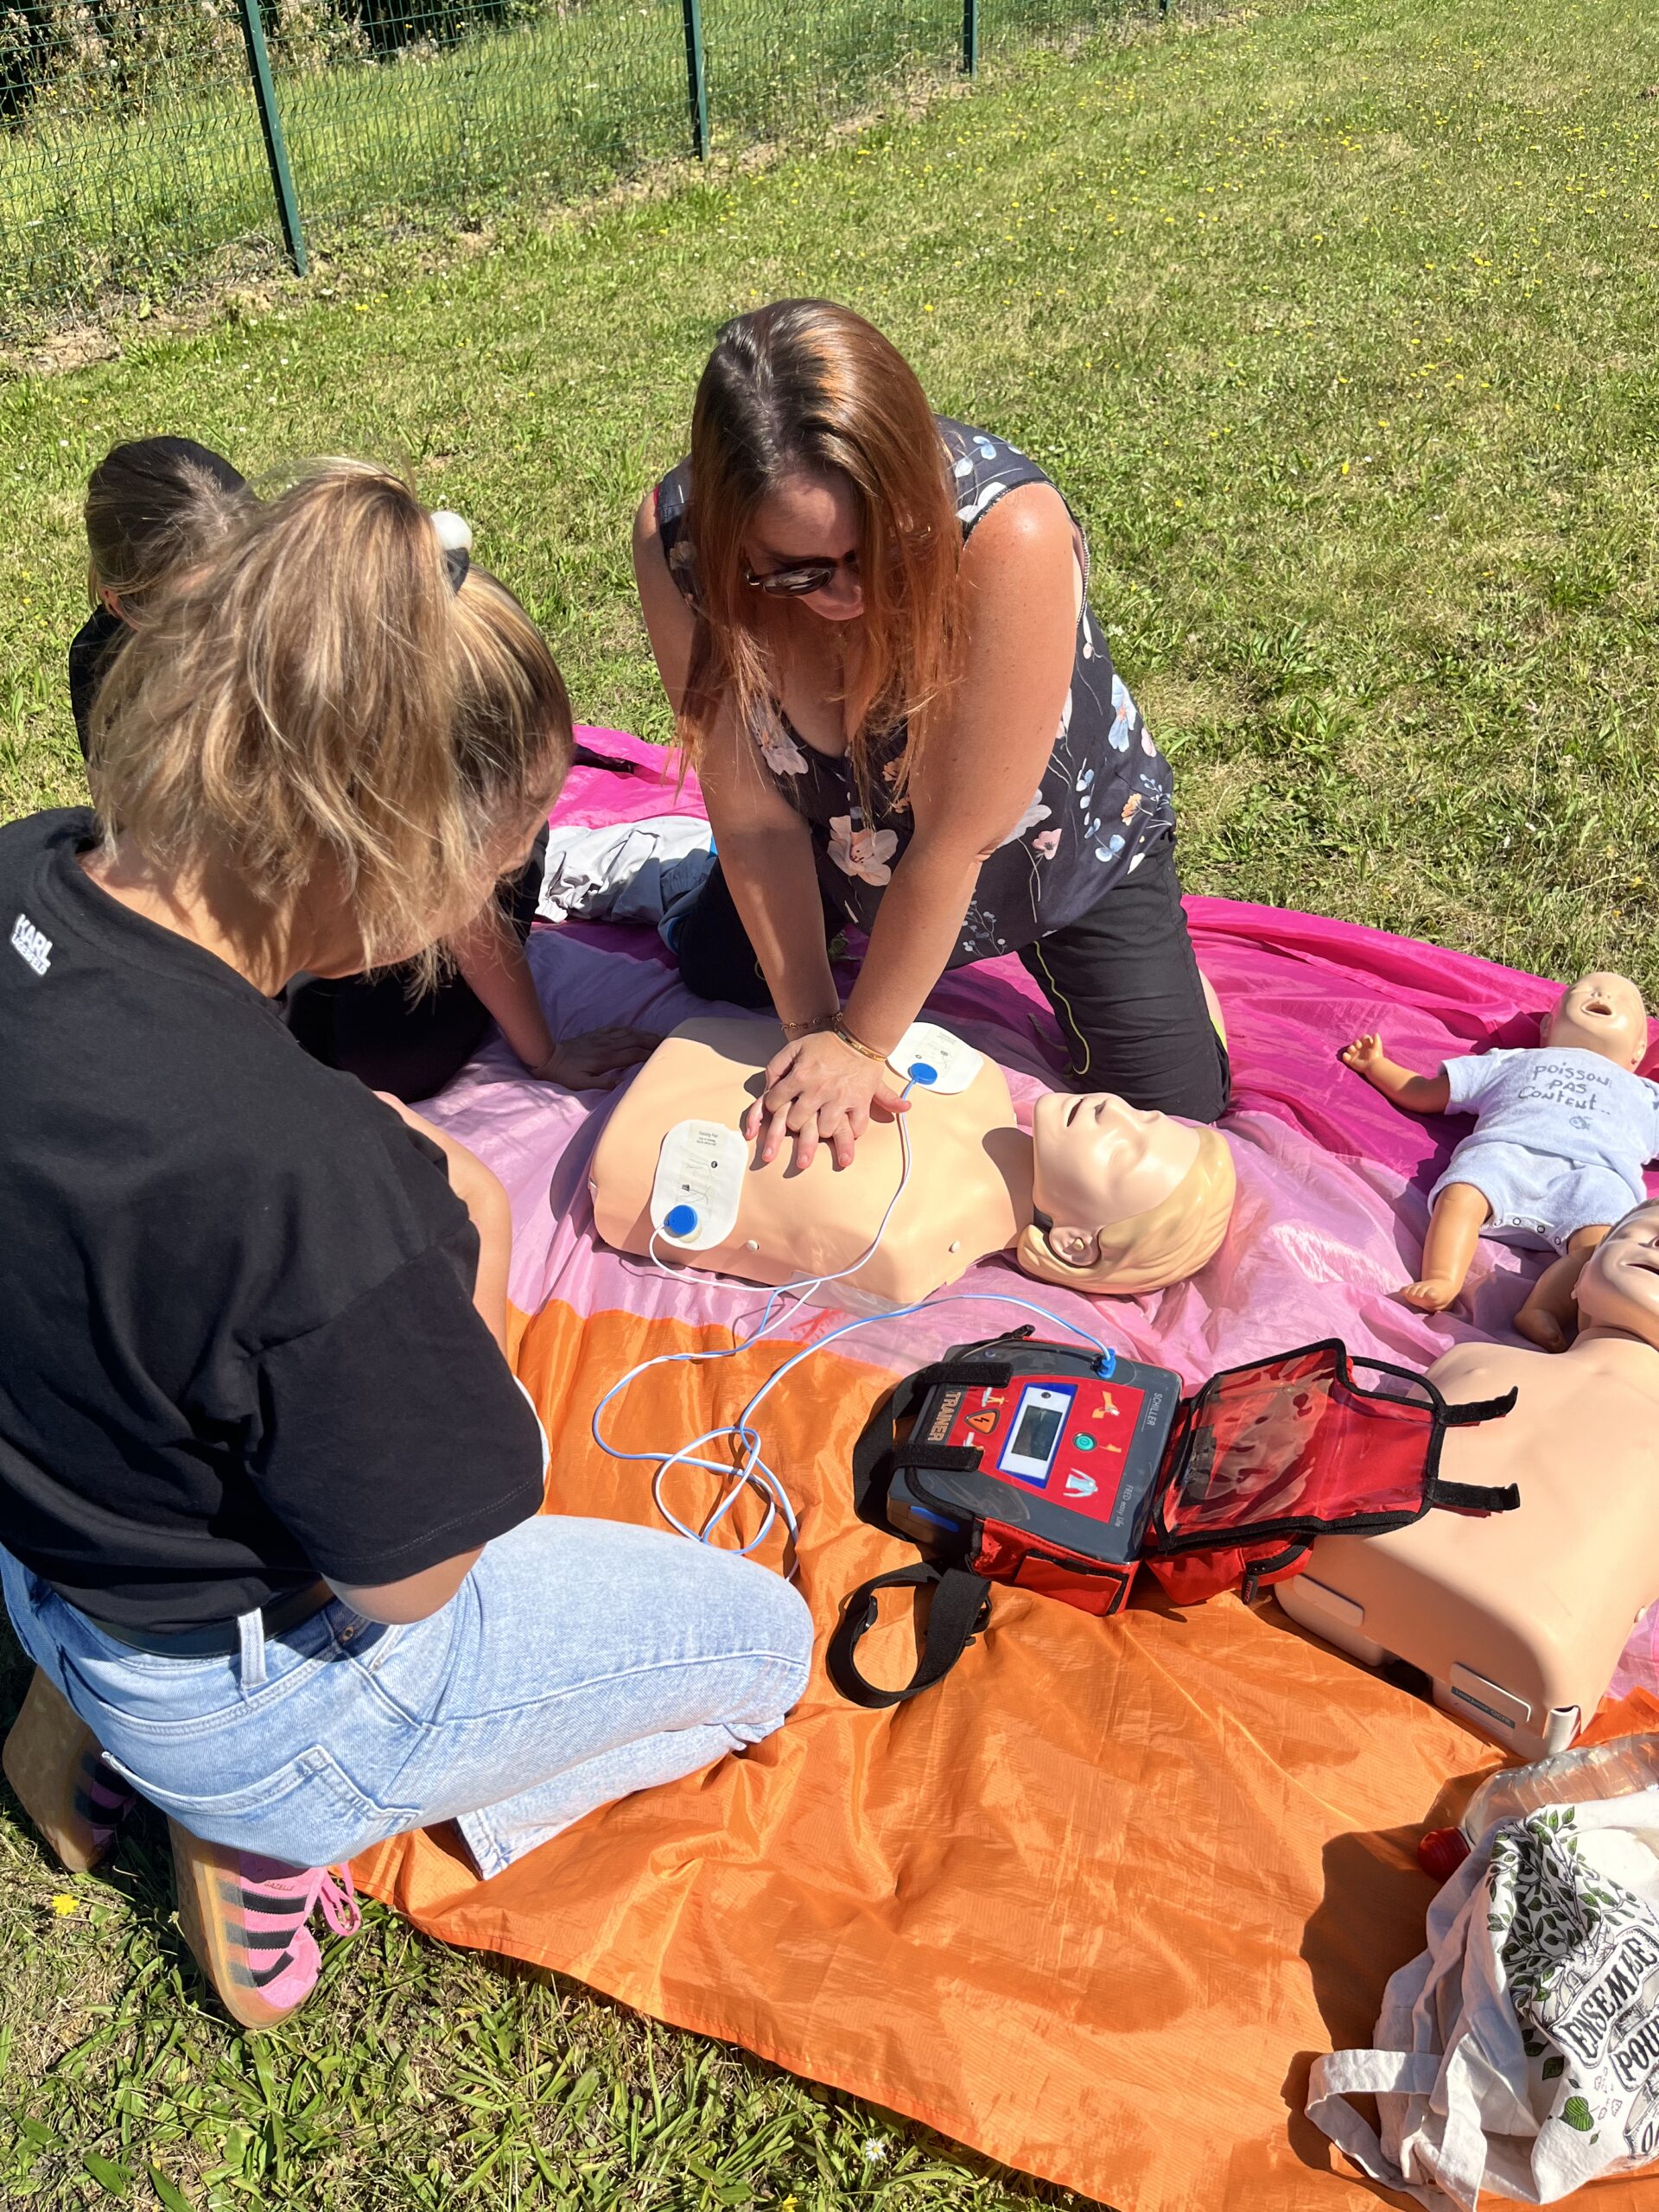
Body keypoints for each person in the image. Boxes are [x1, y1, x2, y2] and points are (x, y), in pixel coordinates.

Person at [1, 462, 815, 2029]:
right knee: (763, 1646)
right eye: (494, 867)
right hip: (254, 1690)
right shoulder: (309, 1192)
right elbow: (414, 1576)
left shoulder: (33, 867)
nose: (494, 896)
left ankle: (60, 1705)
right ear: (382, 850)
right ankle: (269, 1833)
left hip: (52, 1548)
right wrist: (477, 1304)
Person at [633, 299, 1229, 1176]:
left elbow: (960, 837)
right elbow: (757, 820)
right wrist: (812, 1029)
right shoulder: (679, 545)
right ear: (733, 539)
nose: (847, 597)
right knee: (723, 976)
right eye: (797, 571)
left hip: (1042, 837)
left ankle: (1180, 989)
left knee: (1173, 1113)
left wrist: (864, 1048)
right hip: (835, 830)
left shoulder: (1009, 529)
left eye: (880, 553)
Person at [73, 435, 650, 1101]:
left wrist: (542, 1051)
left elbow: (458, 877)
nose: (223, 644)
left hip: (425, 865)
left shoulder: (322, 683)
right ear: (123, 607)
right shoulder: (109, 672)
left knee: (378, 1057)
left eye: (242, 601)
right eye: (196, 618)